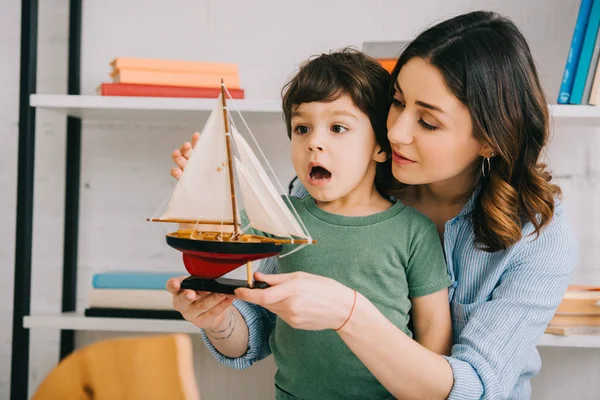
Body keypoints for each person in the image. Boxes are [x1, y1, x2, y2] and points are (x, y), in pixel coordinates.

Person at [168, 11, 577, 400]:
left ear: (490, 139)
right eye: (397, 102)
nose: (396, 131)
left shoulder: (538, 239)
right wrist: (219, 317)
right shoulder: (322, 192)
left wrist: (349, 314)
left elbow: (470, 388)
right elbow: (259, 326)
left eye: (428, 122)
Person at [169, 49, 452, 399]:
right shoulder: (279, 216)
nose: (314, 142)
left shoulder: (413, 231)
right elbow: (220, 235)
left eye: (338, 128)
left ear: (382, 145)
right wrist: (203, 188)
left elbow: (433, 327)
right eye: (301, 128)